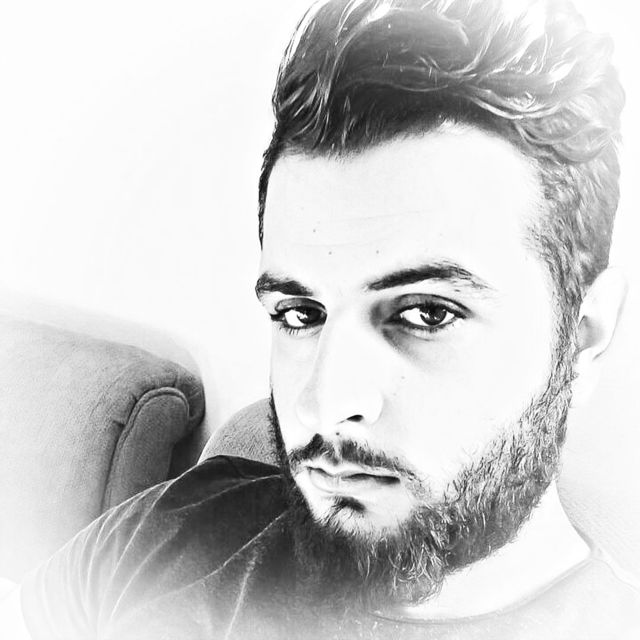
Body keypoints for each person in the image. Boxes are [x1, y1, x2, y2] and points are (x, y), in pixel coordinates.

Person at [3, 0, 639, 637]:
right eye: (300, 313)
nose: (323, 403)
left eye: (427, 313)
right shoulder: (158, 537)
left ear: (583, 336)